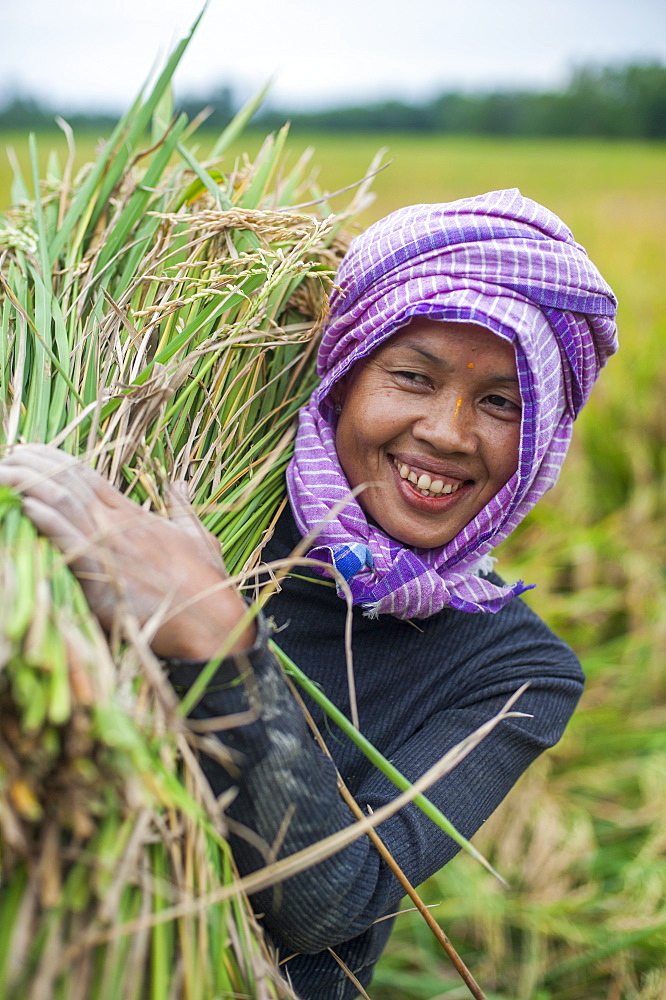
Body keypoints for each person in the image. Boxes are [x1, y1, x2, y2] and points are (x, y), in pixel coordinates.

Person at [0, 189, 618, 999]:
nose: (447, 431)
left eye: (501, 401)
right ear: (345, 373)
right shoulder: (185, 498)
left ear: (541, 435)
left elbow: (338, 900)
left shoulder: (518, 671)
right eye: (411, 377)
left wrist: (219, 638)